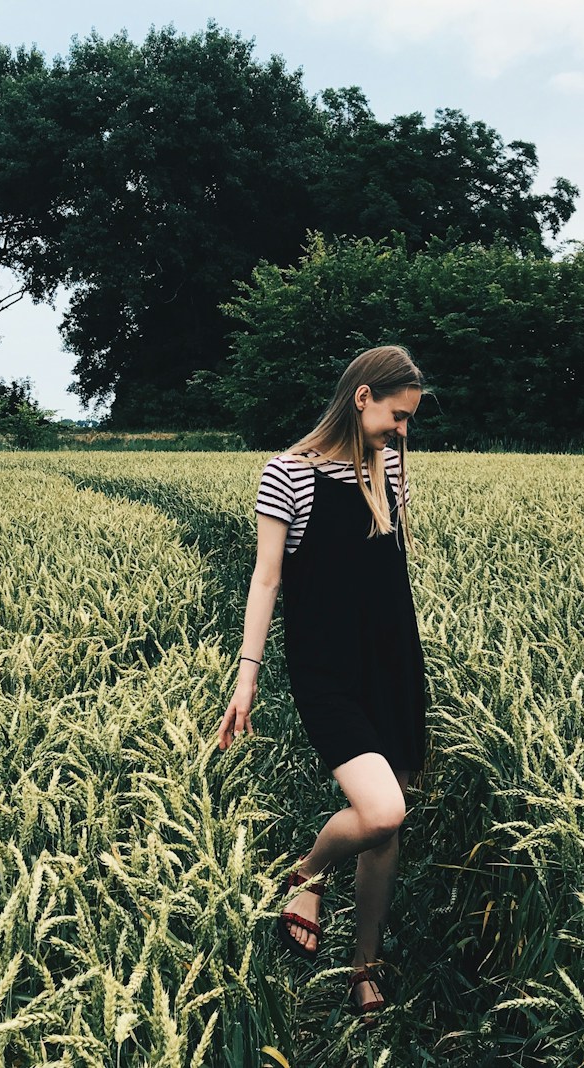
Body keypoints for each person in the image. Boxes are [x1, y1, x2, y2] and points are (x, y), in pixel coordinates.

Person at [215, 345, 427, 1019]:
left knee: (385, 827)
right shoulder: (288, 474)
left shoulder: (390, 465)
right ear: (362, 397)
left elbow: (388, 565)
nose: (404, 430)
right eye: (397, 416)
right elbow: (266, 579)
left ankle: (363, 967)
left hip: (393, 662)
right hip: (328, 670)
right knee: (382, 810)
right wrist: (246, 678)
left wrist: (391, 457)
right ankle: (307, 873)